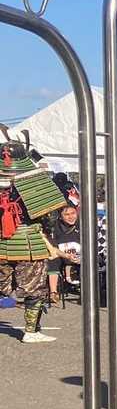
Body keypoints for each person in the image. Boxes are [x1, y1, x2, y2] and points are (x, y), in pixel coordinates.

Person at [0, 135, 66, 343]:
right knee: (35, 289)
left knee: (2, 287)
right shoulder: (35, 181)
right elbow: (50, 215)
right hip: (28, 242)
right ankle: (31, 331)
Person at [47, 202, 83, 302]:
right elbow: (53, 248)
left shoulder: (83, 224)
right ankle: (53, 292)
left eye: (73, 213)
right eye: (67, 215)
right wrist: (66, 256)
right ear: (60, 216)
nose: (71, 217)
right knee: (52, 259)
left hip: (81, 254)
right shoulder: (54, 227)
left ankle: (86, 292)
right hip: (62, 254)